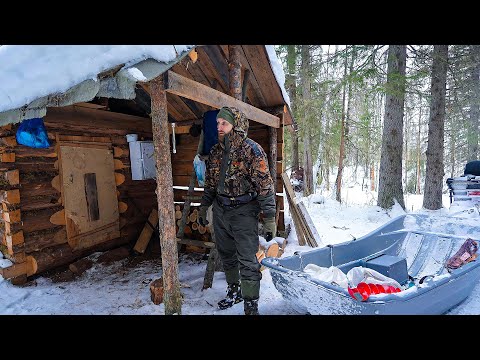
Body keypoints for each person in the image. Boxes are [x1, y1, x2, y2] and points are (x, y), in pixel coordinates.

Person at [198, 106, 277, 315]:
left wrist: (269, 218)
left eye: (224, 123)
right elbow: (210, 185)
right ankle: (234, 291)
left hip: (244, 211)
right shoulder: (215, 151)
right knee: (226, 255)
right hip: (221, 210)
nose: (219, 127)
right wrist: (203, 206)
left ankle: (251, 303)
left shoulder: (252, 150)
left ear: (237, 125)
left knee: (248, 258)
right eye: (217, 123)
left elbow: (265, 186)